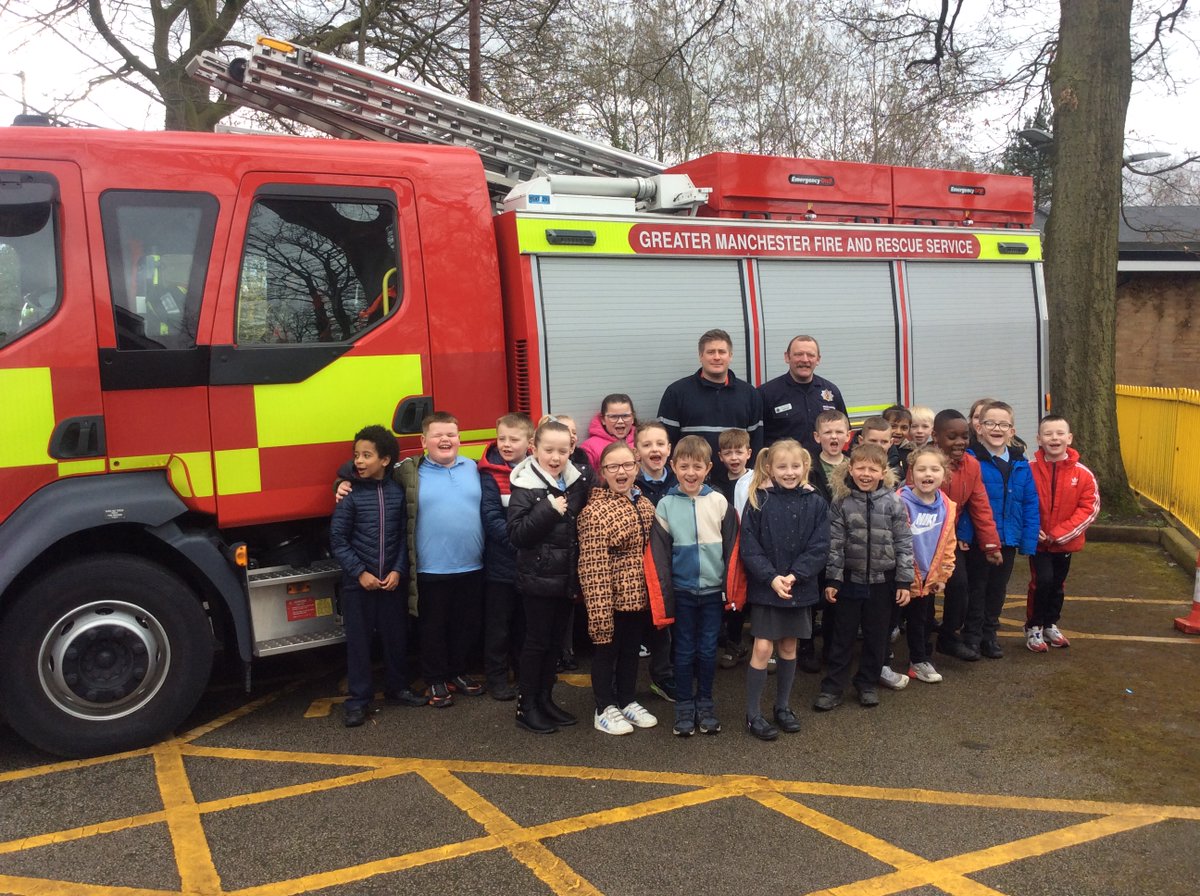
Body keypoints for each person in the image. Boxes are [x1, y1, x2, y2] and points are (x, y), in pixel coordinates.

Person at [335, 412, 486, 709]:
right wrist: (341, 481)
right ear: (423, 441)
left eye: (451, 435)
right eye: (437, 435)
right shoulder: (408, 470)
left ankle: (458, 673)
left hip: (471, 564)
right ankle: (435, 678)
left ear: (460, 438)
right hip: (430, 565)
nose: (445, 440)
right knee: (433, 627)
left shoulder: (473, 467)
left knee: (465, 625)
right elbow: (368, 466)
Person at [645, 435, 742, 737]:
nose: (690, 473)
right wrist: (665, 595)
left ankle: (706, 704)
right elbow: (659, 555)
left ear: (708, 468)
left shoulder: (720, 503)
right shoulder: (664, 505)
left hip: (713, 592)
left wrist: (731, 590)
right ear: (673, 467)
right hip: (683, 592)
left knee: (708, 650)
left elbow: (733, 550)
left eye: (697, 466)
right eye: (684, 466)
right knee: (684, 651)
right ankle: (684, 707)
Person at [737, 440, 830, 740]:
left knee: (789, 646)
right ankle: (753, 714)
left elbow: (820, 546)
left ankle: (782, 706)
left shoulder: (815, 502)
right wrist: (772, 578)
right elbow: (749, 548)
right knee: (763, 648)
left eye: (795, 466)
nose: (789, 472)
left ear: (805, 467)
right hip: (768, 588)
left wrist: (795, 576)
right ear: (769, 468)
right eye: (782, 467)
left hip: (797, 587)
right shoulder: (759, 500)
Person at [329, 425, 418, 727]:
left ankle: (397, 688)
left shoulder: (396, 493)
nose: (360, 461)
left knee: (396, 638)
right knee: (359, 643)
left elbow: (404, 538)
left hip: (391, 583)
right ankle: (358, 700)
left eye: (367, 455)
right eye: (356, 455)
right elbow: (338, 540)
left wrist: (397, 570)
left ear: (385, 460)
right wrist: (359, 573)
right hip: (359, 586)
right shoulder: (350, 495)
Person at [815, 443, 914, 711]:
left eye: (873, 469)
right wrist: (833, 580)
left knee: (877, 635)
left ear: (883, 472)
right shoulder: (841, 502)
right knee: (842, 636)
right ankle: (833, 686)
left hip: (884, 581)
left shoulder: (894, 501)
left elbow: (904, 542)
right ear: (851, 469)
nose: (866, 473)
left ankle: (866, 682)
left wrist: (904, 580)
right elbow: (834, 544)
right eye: (861, 468)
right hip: (850, 580)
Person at [507, 418, 591, 734]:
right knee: (537, 644)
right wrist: (549, 509)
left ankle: (545, 700)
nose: (555, 458)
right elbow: (516, 535)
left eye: (563, 451)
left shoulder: (575, 481)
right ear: (534, 449)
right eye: (548, 450)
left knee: (555, 645)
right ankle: (525, 707)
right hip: (539, 580)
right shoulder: (525, 486)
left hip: (566, 579)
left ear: (572, 449)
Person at [577, 442, 659, 735]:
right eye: (613, 466)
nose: (621, 472)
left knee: (630, 652)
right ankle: (604, 707)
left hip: (639, 597)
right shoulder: (594, 513)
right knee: (605, 652)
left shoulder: (644, 503)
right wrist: (599, 611)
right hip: (610, 598)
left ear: (637, 468)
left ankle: (626, 700)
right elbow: (592, 566)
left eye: (627, 465)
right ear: (603, 472)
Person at [965, 401, 1040, 659]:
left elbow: (1030, 503)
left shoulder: (1021, 464)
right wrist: (964, 535)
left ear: (1012, 430)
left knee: (997, 589)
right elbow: (965, 504)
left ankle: (990, 635)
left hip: (1007, 539)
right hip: (979, 539)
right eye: (990, 423)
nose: (997, 428)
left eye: (1003, 424)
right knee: (977, 588)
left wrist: (1028, 542)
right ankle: (972, 636)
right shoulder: (971, 459)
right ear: (979, 428)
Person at [928, 410, 1002, 663]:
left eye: (964, 436)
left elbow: (980, 505)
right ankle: (919, 642)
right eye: (952, 436)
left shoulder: (971, 466)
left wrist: (991, 544)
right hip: (924, 539)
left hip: (948, 539)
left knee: (959, 585)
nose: (960, 442)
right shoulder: (926, 464)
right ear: (935, 437)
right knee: (922, 592)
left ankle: (948, 637)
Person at [1025, 415, 1100, 652]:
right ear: (1039, 439)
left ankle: (1050, 623)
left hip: (1064, 543)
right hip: (1038, 544)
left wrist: (1059, 533)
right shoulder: (1028, 470)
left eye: (1059, 433)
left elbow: (1089, 508)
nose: (1054, 438)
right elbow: (1021, 502)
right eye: (1048, 434)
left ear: (1069, 438)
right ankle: (1034, 626)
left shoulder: (1083, 474)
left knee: (1057, 584)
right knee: (1042, 581)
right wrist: (1031, 528)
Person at [477, 412, 534, 701]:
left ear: (529, 442)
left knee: (526, 625)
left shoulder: (538, 470)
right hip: (501, 565)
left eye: (514, 439)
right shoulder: (488, 474)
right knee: (498, 627)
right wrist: (519, 543)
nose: (507, 444)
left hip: (529, 565)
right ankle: (497, 679)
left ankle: (526, 676)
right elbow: (490, 517)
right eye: (502, 438)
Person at [657, 328, 763, 479]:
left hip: (736, 483)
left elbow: (756, 443)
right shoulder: (676, 393)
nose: (717, 357)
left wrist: (748, 481)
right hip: (691, 484)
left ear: (730, 356)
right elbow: (665, 443)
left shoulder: (750, 395)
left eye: (722, 352)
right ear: (701, 356)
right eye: (711, 352)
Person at [895, 445, 957, 684]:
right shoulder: (900, 501)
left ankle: (919, 660)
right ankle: (882, 663)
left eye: (934, 469)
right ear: (911, 473)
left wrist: (943, 574)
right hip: (901, 578)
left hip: (928, 579)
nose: (927, 474)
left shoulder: (947, 505)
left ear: (944, 474)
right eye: (921, 469)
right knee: (889, 621)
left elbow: (948, 542)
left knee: (921, 621)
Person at [540, 412, 593, 672]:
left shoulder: (582, 475)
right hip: (544, 565)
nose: (569, 435)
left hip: (572, 557)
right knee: (540, 634)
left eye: (572, 433)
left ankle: (567, 651)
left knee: (567, 612)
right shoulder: (527, 479)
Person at [632, 420, 678, 703]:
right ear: (636, 451)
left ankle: (666, 675)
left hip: (672, 567)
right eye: (647, 445)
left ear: (669, 448)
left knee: (668, 625)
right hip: (638, 568)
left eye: (660, 444)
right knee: (638, 627)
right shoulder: (629, 483)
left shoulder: (679, 481)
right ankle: (623, 684)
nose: (654, 450)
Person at [759, 335, 847, 457]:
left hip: (822, 471)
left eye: (810, 355)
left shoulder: (831, 392)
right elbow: (757, 439)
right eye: (798, 354)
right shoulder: (766, 394)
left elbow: (844, 432)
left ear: (818, 359)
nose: (805, 360)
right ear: (787, 357)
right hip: (785, 471)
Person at [580, 394, 637, 471]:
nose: (620, 421)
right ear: (603, 419)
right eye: (613, 417)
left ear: (633, 418)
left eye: (625, 416)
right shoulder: (590, 448)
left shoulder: (642, 441)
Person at [809, 409, 850, 502]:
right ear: (817, 437)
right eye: (828, 432)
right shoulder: (809, 469)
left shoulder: (856, 464)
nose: (834, 436)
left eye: (839, 432)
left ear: (848, 436)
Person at [714, 427, 753, 504]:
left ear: (748, 453)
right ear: (721, 456)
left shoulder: (756, 480)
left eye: (739, 452)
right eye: (727, 453)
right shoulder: (716, 485)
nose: (734, 458)